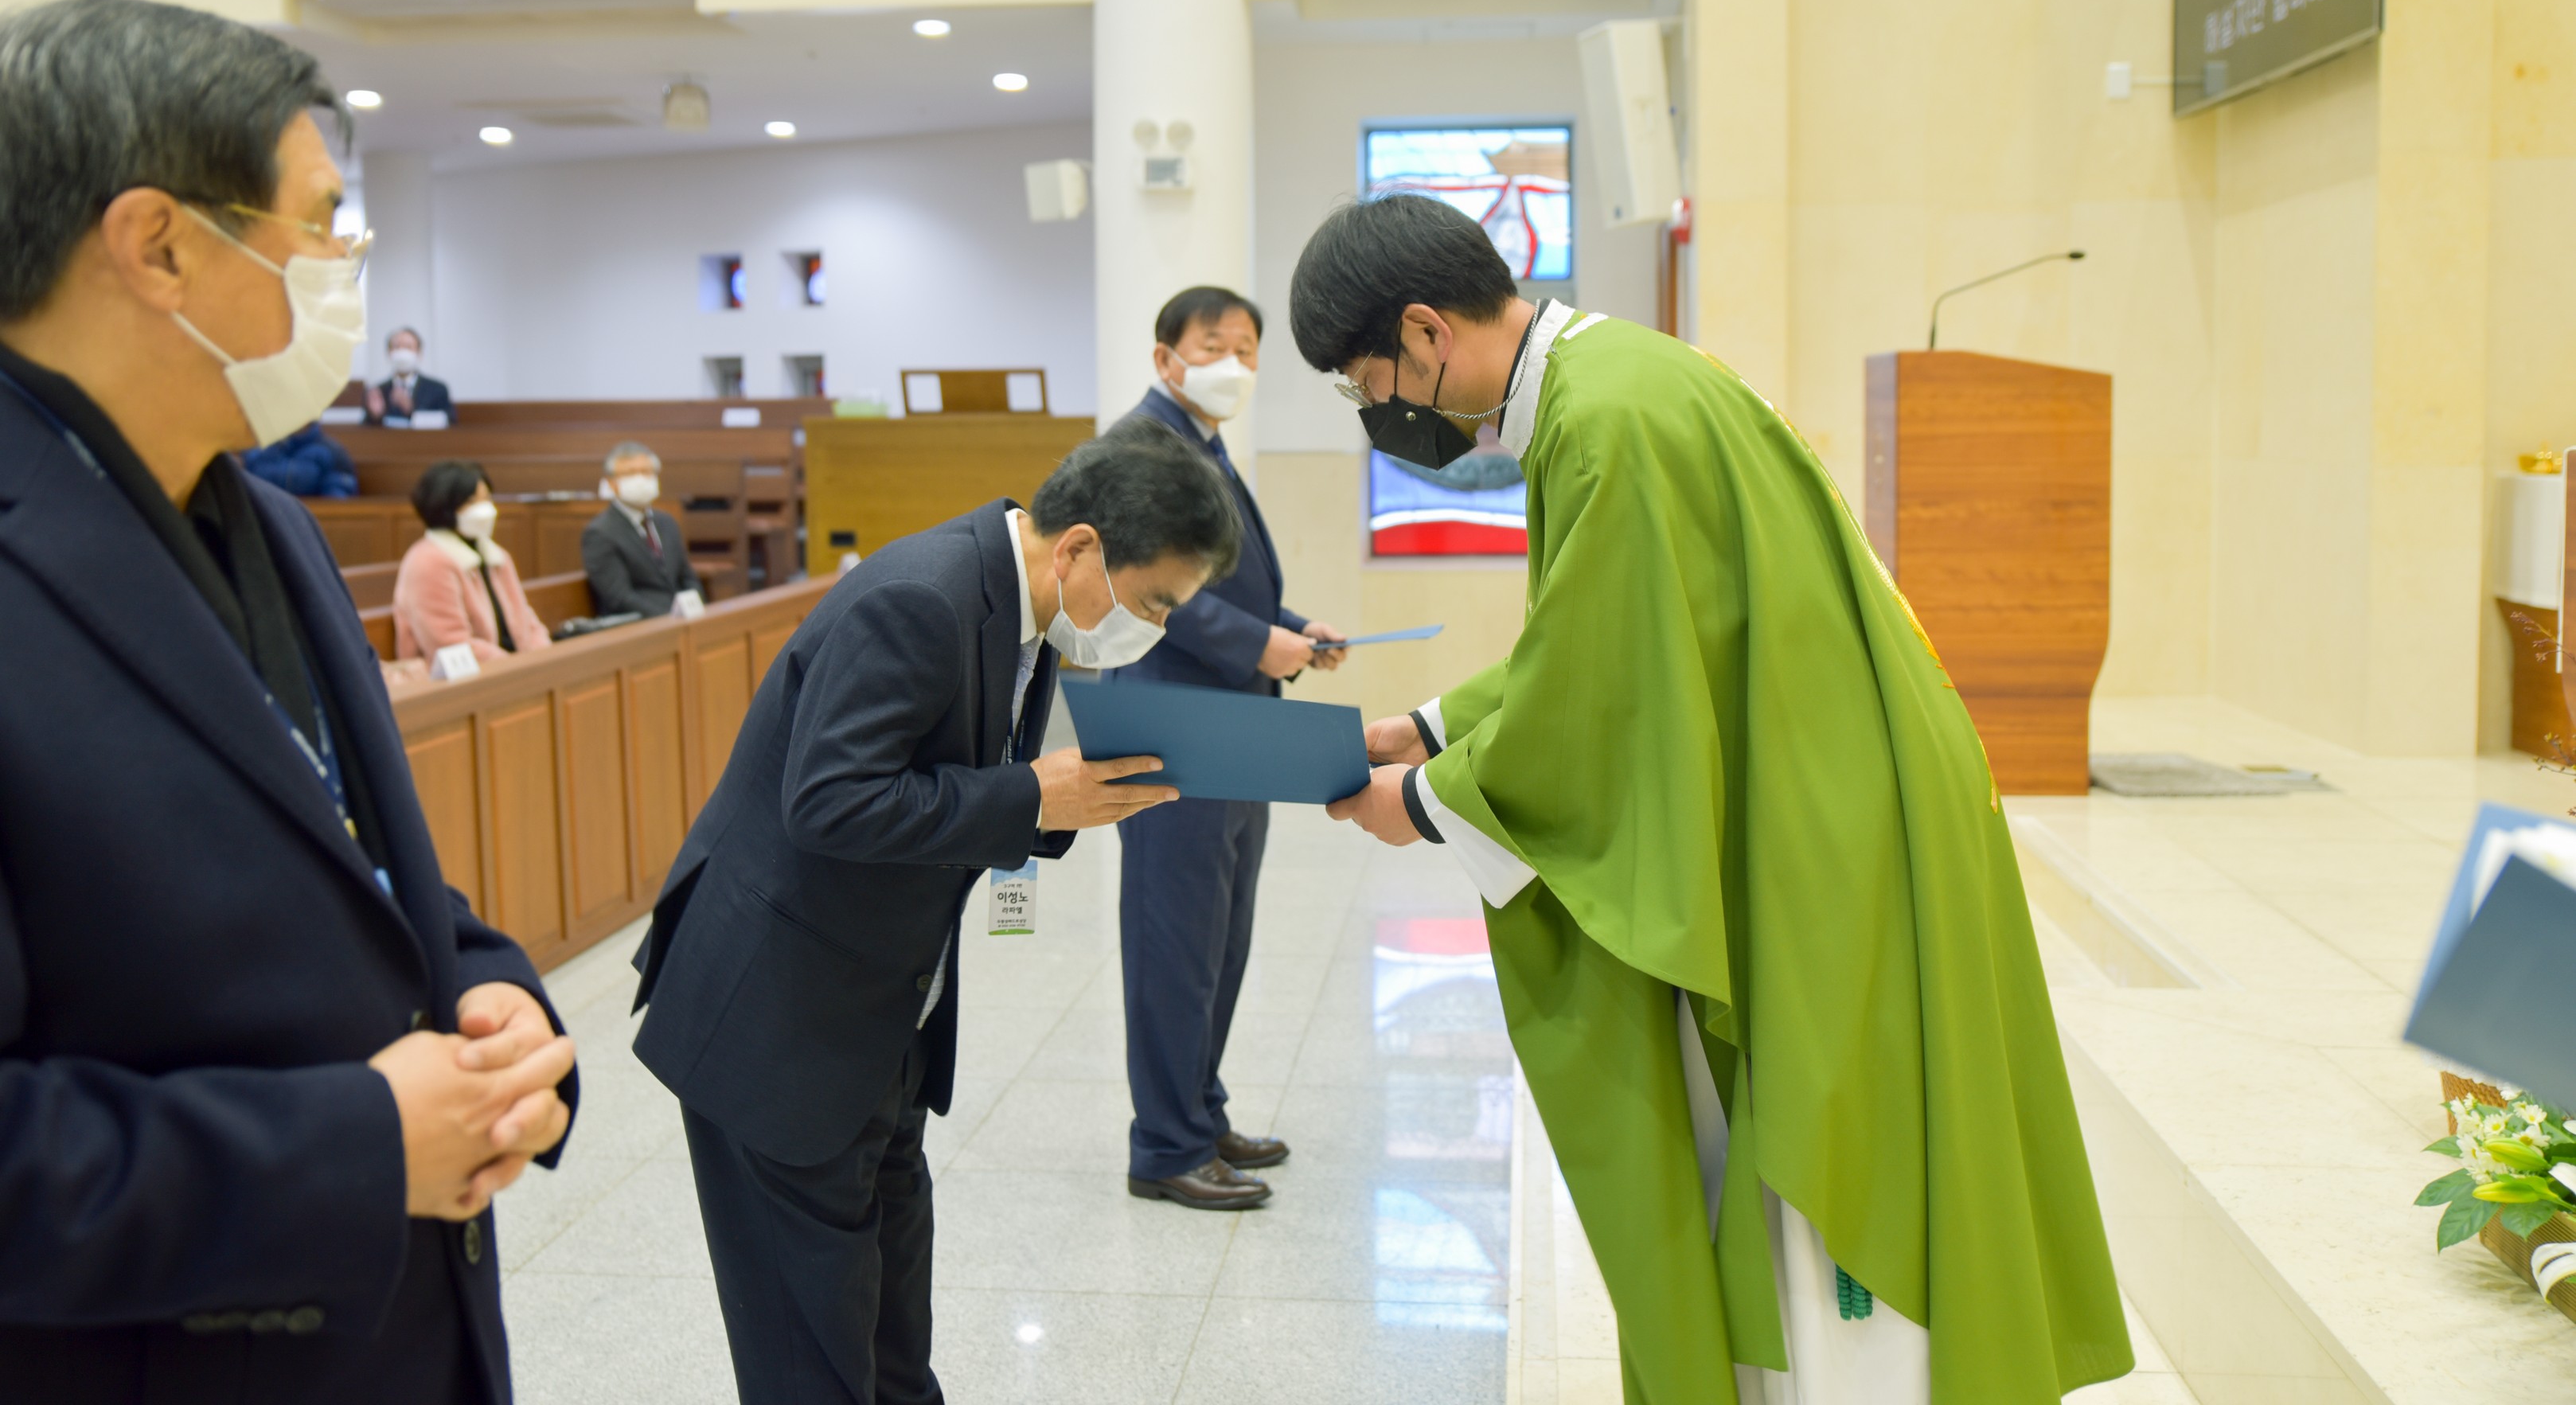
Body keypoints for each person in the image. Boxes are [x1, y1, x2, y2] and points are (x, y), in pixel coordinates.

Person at [1291, 193, 2131, 1404]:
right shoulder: (1617, 378)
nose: (1382, 415)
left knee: (1825, 1156)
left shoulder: (1604, 422)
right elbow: (1606, 637)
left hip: (1823, 837)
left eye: (1368, 384)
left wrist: (1421, 802)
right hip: (1827, 785)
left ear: (1424, 334)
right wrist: (1422, 731)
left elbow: (1602, 697)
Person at [0, 0, 577, 1403]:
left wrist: (492, 998)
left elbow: (353, 875)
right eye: (321, 222)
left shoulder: (269, 524)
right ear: (159, 246)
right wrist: (363, 1146)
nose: (346, 265)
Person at [630, 419, 1241, 1405]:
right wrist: (1034, 799)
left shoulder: (1027, 610)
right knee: (811, 1363)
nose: (1156, 628)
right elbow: (829, 802)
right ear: (1081, 546)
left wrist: (1056, 805)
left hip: (880, 1022)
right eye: (1155, 600)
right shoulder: (923, 598)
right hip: (778, 1027)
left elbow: (967, 781)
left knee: (890, 1351)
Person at [1110, 285, 1346, 1212]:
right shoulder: (1140, 446)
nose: (1235, 365)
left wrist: (1288, 626)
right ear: (1166, 356)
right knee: (1175, 940)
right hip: (1177, 726)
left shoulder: (1199, 444)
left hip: (1228, 724)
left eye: (1249, 350)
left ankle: (1198, 1115)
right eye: (1215, 346)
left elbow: (1218, 584)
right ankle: (1163, 1146)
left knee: (1219, 935)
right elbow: (1147, 584)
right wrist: (1258, 644)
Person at [393, 459, 552, 663]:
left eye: (486, 499)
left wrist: (544, 658)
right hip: (460, 682)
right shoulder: (427, 562)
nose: (484, 509)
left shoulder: (496, 555)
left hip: (510, 670)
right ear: (444, 507)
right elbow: (450, 644)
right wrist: (517, 668)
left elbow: (526, 620)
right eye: (471, 502)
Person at [582, 439, 704, 619]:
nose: (640, 479)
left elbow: (688, 577)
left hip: (681, 620)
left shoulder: (667, 522)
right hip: (640, 627)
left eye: (646, 472)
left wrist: (698, 610)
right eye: (630, 473)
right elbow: (619, 597)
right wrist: (668, 619)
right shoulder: (600, 532)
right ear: (612, 483)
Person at [243, 417, 361, 498]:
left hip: (310, 525)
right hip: (268, 522)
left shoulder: (331, 451)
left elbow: (338, 504)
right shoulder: (262, 449)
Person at [365, 326, 451, 425]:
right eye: (397, 347)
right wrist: (376, 416)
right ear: (389, 353)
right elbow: (364, 431)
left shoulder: (437, 389)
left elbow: (449, 422)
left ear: (419, 353)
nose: (402, 352)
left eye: (408, 347)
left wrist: (412, 410)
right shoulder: (378, 391)